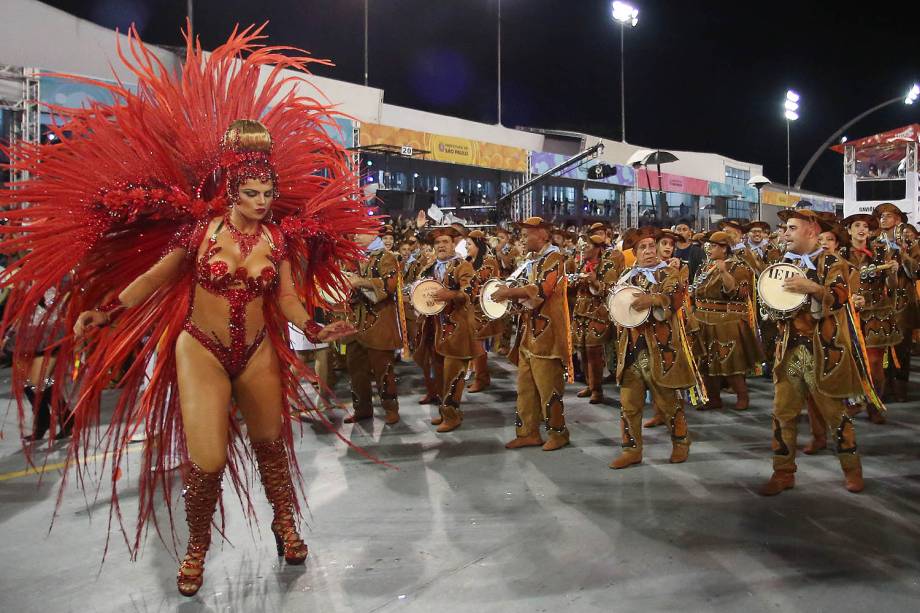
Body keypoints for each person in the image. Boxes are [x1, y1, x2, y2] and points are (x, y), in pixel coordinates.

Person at [0, 23, 379, 597]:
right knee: (205, 458)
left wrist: (320, 325)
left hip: (253, 351)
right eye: (251, 193)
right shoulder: (200, 234)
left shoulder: (279, 242)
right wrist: (106, 308)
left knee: (272, 446)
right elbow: (156, 277)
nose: (262, 202)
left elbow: (288, 300)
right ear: (231, 191)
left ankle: (284, 522)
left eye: (267, 193)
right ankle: (197, 545)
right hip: (200, 349)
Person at [759, 209, 863, 496]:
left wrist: (813, 288)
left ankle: (852, 469)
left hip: (824, 351)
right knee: (782, 414)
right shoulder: (781, 264)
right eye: (785, 228)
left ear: (811, 231)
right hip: (789, 350)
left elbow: (841, 298)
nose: (785, 233)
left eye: (792, 228)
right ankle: (782, 473)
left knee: (835, 415)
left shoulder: (832, 261)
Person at [609, 226, 694, 469]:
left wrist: (653, 299)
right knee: (629, 404)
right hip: (631, 350)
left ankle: (681, 442)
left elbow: (674, 300)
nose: (648, 251)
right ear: (634, 252)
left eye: (650, 246)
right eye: (642, 247)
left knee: (668, 402)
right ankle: (631, 450)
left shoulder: (669, 273)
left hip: (661, 348)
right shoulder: (627, 276)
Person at [491, 217, 572, 452]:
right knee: (525, 388)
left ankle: (559, 433)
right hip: (529, 335)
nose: (523, 239)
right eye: (523, 235)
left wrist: (509, 292)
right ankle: (528, 432)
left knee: (549, 388)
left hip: (548, 337)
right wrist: (513, 298)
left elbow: (540, 290)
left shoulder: (555, 258)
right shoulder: (533, 260)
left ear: (544, 235)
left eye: (527, 235)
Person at [414, 227, 482, 431]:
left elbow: (469, 292)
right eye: (437, 243)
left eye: (445, 242)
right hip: (433, 329)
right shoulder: (428, 268)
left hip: (457, 329)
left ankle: (452, 416)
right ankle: (446, 412)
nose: (441, 246)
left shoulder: (464, 266)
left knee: (453, 374)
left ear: (453, 244)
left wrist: (449, 295)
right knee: (440, 374)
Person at [688, 232, 764, 410]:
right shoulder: (705, 267)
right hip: (703, 320)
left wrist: (723, 272)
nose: (709, 248)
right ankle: (713, 398)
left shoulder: (739, 267)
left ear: (724, 248)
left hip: (727, 321)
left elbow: (739, 294)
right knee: (706, 362)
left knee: (730, 361)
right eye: (709, 245)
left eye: (713, 246)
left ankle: (742, 396)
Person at [343, 230, 405, 425]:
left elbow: (390, 285)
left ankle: (391, 409)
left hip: (379, 321)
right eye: (353, 233)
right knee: (355, 370)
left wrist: (360, 282)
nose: (354, 236)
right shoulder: (352, 257)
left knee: (383, 369)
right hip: (355, 322)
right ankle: (361, 409)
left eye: (359, 232)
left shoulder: (386, 257)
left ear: (371, 233)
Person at [873, 203, 919, 403]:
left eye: (888, 215)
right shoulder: (874, 243)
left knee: (901, 346)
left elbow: (916, 272)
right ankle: (885, 387)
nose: (883, 219)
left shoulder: (911, 244)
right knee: (881, 345)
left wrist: (902, 254)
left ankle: (900, 387)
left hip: (903, 301)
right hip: (880, 301)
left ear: (898, 220)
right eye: (881, 216)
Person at [571, 233, 623, 403]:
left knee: (594, 352)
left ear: (597, 249)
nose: (583, 249)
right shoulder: (582, 265)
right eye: (583, 246)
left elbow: (610, 290)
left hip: (597, 314)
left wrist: (594, 282)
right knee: (582, 352)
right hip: (580, 313)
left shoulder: (608, 267)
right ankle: (589, 384)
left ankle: (597, 390)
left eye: (587, 246)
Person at [465, 229, 501, 393]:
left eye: (469, 244)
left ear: (478, 245)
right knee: (473, 345)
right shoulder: (469, 261)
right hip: (470, 309)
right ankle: (481, 377)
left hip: (482, 309)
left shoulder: (489, 262)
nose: (466, 247)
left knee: (477, 345)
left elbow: (479, 281)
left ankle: (481, 379)